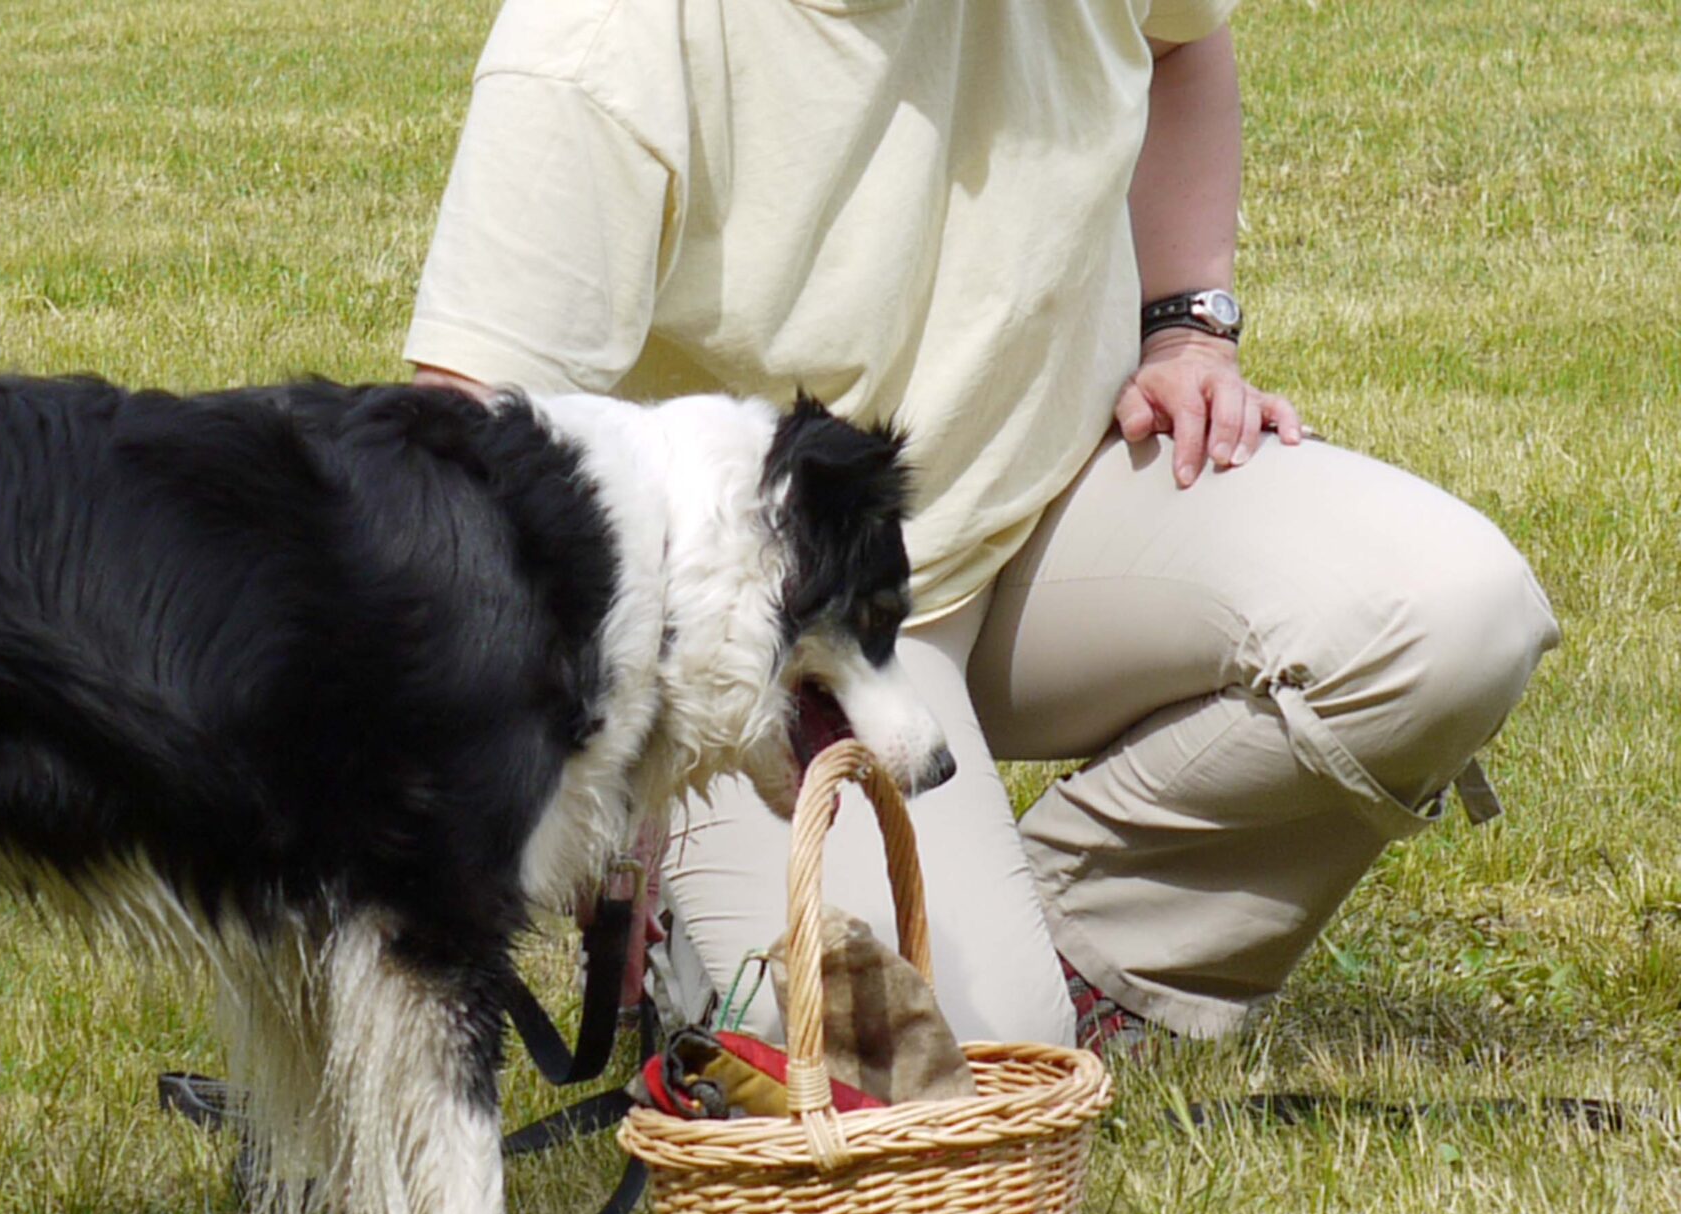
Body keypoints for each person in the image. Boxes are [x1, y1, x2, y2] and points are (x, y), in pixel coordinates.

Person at [403, 0, 1559, 1053]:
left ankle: (1073, 954)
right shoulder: (602, 38)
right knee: (945, 1064)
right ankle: (729, 959)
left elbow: (1183, 43)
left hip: (1059, 505)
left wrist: (1187, 328)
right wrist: (603, 755)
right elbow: (464, 461)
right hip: (782, 656)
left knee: (1447, 614)